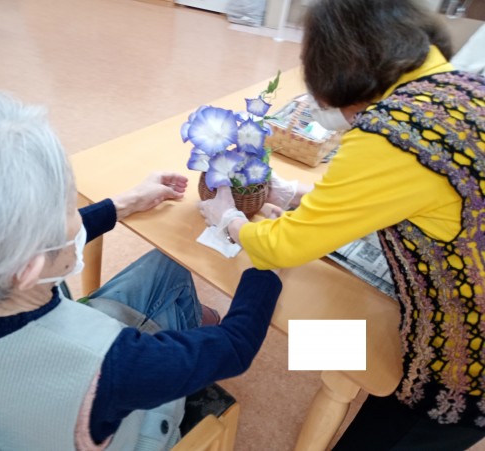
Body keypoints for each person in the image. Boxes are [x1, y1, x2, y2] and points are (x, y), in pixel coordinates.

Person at [0, 91, 283, 450]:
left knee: (168, 263)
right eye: (66, 208)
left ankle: (191, 319)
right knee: (205, 330)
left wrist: (122, 204)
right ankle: (194, 329)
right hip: (112, 423)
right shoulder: (116, 367)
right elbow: (236, 347)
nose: (75, 214)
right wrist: (265, 258)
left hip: (3, 411)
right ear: (27, 268)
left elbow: (26, 247)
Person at [199, 0, 485, 449]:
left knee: (395, 421)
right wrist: (295, 194)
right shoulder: (462, 84)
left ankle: (341, 380)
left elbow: (283, 248)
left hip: (465, 358)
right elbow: (411, 192)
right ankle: (340, 376)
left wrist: (229, 219)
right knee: (329, 329)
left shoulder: (390, 134)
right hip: (449, 295)